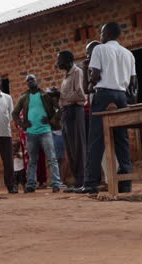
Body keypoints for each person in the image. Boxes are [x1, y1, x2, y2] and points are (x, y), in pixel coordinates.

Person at [78, 21, 138, 194]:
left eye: (102, 32)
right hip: (121, 95)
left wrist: (90, 84)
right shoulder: (128, 54)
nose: (100, 35)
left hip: (103, 94)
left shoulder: (99, 49)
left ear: (107, 34)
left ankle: (90, 183)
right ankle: (125, 183)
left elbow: (95, 74)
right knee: (122, 139)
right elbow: (133, 82)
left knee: (96, 139)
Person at [12, 74, 62, 193]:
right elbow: (14, 113)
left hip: (45, 131)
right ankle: (31, 185)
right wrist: (23, 124)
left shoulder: (45, 95)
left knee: (52, 158)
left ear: (37, 81)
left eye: (32, 79)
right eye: (28, 80)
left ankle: (55, 183)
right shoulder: (24, 97)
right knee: (32, 160)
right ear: (26, 83)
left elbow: (59, 109)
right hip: (31, 133)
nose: (30, 81)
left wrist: (51, 121)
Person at [56, 50, 87, 193]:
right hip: (66, 113)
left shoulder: (77, 72)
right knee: (70, 149)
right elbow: (66, 97)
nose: (57, 63)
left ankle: (82, 181)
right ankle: (76, 182)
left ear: (68, 60)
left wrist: (61, 95)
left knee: (77, 147)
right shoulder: (66, 76)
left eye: (59, 60)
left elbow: (80, 94)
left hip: (75, 111)